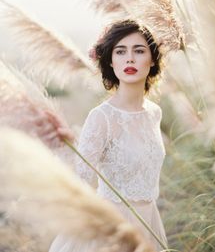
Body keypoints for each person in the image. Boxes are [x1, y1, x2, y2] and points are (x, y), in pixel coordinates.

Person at [49, 19, 167, 251]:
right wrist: (66, 146)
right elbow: (80, 178)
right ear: (111, 62)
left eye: (139, 50)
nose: (129, 58)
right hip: (113, 230)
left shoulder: (155, 113)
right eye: (120, 51)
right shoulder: (101, 117)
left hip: (149, 222)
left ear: (152, 59)